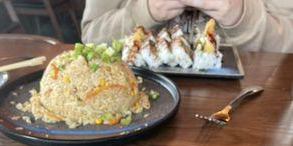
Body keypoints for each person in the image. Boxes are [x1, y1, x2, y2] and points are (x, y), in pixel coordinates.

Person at [81, 0, 293, 53]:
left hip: (248, 108)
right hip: (134, 101)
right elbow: (92, 37)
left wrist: (240, 16)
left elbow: (288, 46)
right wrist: (147, 11)